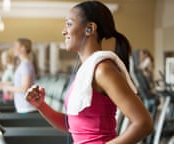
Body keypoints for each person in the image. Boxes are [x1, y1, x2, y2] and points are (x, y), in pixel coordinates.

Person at [25, 1, 153, 144]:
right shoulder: (85, 71)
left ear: (90, 28)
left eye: (69, 24)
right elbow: (73, 125)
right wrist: (41, 106)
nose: (63, 31)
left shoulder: (102, 70)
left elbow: (143, 123)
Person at [0, 38, 37, 113]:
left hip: (26, 108)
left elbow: (24, 88)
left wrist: (5, 87)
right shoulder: (23, 65)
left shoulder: (26, 65)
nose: (13, 49)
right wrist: (4, 84)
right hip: (22, 107)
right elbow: (19, 84)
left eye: (15, 46)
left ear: (23, 48)